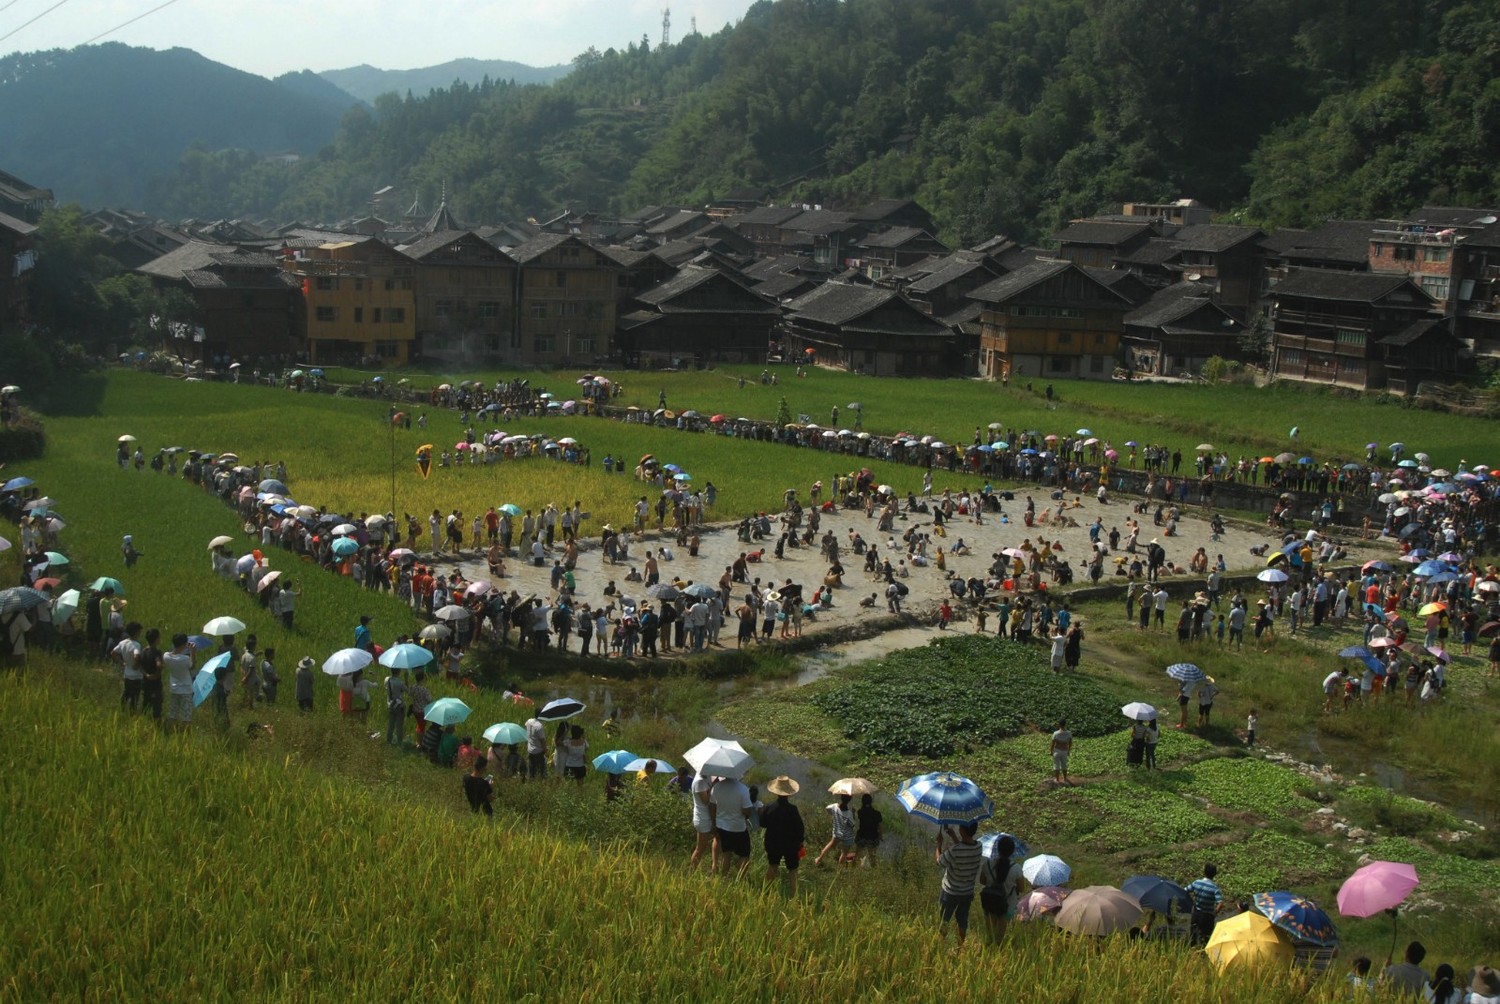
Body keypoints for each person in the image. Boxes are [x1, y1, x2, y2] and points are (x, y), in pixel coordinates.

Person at [935, 822, 983, 946]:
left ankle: (940, 945)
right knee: (962, 921)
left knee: (944, 920)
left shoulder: (955, 850)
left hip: (950, 892)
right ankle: (960, 947)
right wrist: (954, 837)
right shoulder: (979, 847)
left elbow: (939, 862)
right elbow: (964, 850)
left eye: (960, 827)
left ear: (963, 830)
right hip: (967, 892)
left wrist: (939, 844)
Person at [760, 775, 806, 895]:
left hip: (772, 842)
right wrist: (800, 841)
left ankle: (765, 892)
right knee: (793, 869)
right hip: (790, 844)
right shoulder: (793, 809)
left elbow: (762, 823)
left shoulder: (768, 808)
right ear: (789, 793)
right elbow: (800, 828)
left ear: (776, 792)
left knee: (773, 865)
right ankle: (793, 894)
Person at [978, 835, 1023, 945]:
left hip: (989, 903)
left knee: (990, 934)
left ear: (997, 849)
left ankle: (988, 952)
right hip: (1007, 905)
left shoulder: (988, 864)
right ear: (1012, 851)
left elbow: (982, 881)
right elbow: (1021, 888)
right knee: (1000, 935)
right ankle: (998, 953)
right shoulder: (1016, 868)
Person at [709, 773, 754, 878]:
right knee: (744, 855)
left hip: (722, 826)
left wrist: (714, 823)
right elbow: (746, 811)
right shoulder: (743, 789)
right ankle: (740, 879)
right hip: (738, 827)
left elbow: (712, 806)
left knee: (726, 853)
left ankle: (724, 877)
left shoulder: (717, 787)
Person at [813, 793, 856, 867]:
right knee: (844, 853)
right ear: (849, 800)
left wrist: (833, 814)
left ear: (841, 798)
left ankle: (819, 860)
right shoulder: (849, 813)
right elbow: (852, 825)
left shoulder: (834, 806)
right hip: (847, 836)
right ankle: (840, 869)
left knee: (829, 847)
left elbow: (827, 808)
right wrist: (853, 813)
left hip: (836, 833)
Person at [1186, 862, 1223, 945]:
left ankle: (1192, 950)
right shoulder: (1214, 888)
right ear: (1214, 874)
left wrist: (1191, 901)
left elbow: (1185, 891)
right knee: (1206, 938)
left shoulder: (1196, 883)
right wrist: (1215, 913)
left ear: (1204, 872)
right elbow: (1220, 903)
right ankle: (1203, 953)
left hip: (1196, 913)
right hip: (1208, 916)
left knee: (1193, 935)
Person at [163, 633, 194, 730]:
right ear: (184, 644)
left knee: (173, 713)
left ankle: (171, 730)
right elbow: (192, 666)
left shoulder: (166, 656)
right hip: (186, 689)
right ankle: (186, 735)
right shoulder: (185, 658)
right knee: (186, 715)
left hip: (174, 688)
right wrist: (192, 652)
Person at [689, 770, 718, 872]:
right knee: (700, 848)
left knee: (714, 840)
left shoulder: (705, 775)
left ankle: (714, 868)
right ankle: (691, 871)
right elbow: (706, 801)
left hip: (706, 816)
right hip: (702, 818)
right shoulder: (699, 782)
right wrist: (714, 787)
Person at [854, 793, 882, 867]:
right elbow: (879, 827)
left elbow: (856, 822)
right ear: (871, 802)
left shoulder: (860, 812)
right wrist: (881, 836)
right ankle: (873, 869)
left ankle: (853, 867)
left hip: (862, 836)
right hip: (873, 837)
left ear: (862, 802)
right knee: (872, 856)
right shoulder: (877, 813)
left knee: (858, 854)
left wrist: (853, 812)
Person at [383, 666, 407, 746]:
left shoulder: (387, 679)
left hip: (390, 705)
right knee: (399, 725)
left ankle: (388, 740)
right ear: (399, 672)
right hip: (399, 706)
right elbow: (407, 690)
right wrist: (406, 679)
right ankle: (399, 742)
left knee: (391, 724)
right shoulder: (399, 682)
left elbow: (386, 687)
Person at [524, 714, 548, 779]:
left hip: (530, 750)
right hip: (538, 751)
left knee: (531, 769)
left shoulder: (529, 721)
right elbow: (542, 740)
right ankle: (540, 780)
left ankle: (531, 780)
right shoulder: (539, 726)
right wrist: (546, 750)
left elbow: (525, 725)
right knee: (541, 770)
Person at [1050, 719, 1072, 785]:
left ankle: (1057, 779)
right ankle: (1065, 779)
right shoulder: (1068, 733)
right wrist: (1068, 750)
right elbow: (1070, 743)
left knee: (1056, 765)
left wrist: (1051, 751)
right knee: (1064, 765)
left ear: (1059, 724)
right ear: (1065, 724)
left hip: (1057, 751)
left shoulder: (1055, 733)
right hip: (1064, 751)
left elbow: (1053, 744)